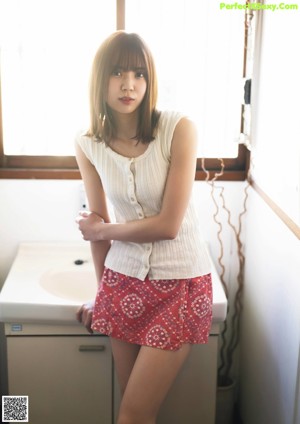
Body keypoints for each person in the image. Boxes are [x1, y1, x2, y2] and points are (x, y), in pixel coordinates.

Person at [75, 31, 213, 424]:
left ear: (149, 81)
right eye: (117, 72)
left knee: (133, 413)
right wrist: (101, 293)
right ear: (100, 79)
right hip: (123, 281)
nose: (128, 84)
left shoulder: (178, 128)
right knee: (132, 410)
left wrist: (102, 232)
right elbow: (96, 219)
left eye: (139, 74)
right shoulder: (87, 143)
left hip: (180, 282)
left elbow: (169, 225)